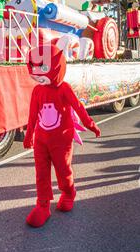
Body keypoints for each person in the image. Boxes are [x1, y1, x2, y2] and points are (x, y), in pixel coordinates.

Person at [23, 44, 101, 228]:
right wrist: (29, 135)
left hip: (62, 140)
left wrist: (90, 124)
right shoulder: (37, 90)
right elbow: (33, 114)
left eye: (42, 67)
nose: (36, 72)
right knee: (41, 174)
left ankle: (68, 192)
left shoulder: (64, 88)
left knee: (63, 170)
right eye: (33, 67)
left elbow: (78, 107)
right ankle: (42, 206)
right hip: (42, 140)